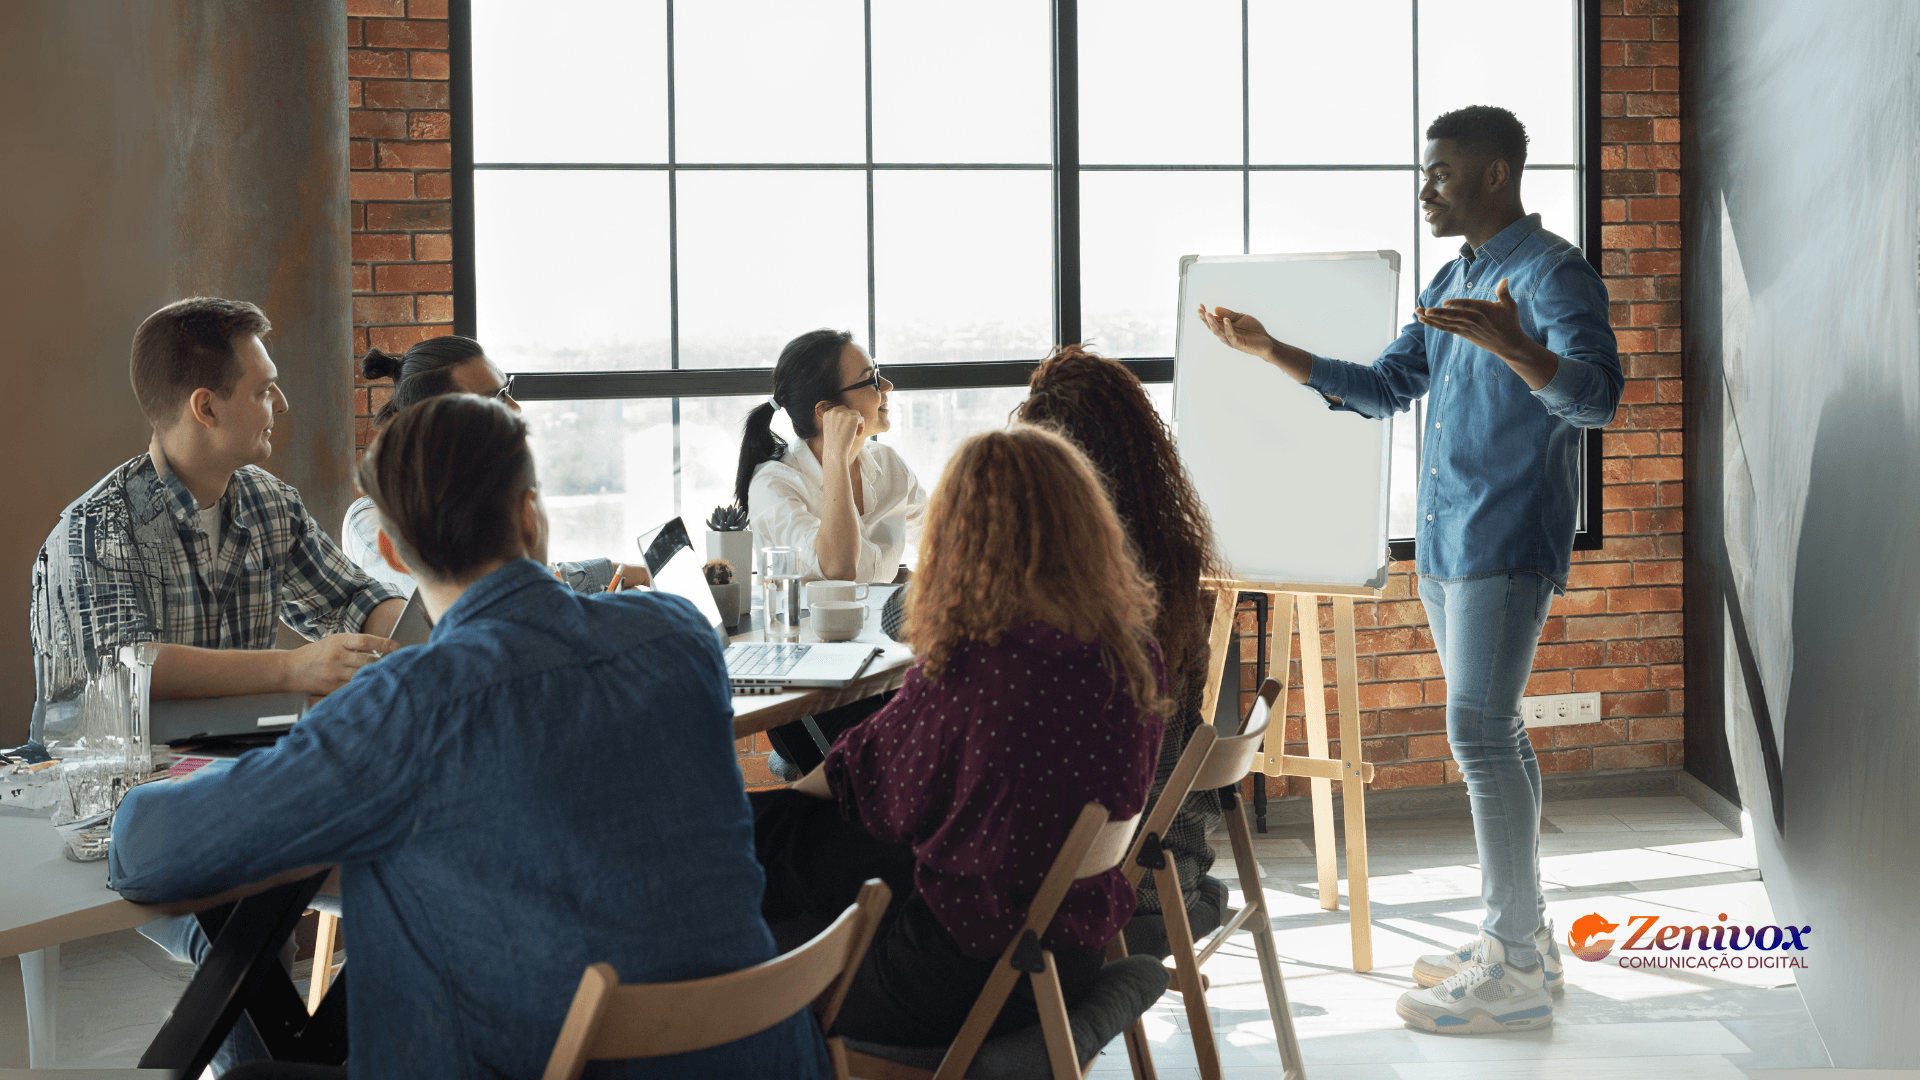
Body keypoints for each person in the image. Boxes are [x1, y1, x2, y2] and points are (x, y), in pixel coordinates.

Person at [109, 394, 832, 1080]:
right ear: (530, 518)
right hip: (761, 1055)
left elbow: (147, 853)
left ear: (391, 551)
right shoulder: (680, 638)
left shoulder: (409, 705)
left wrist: (152, 789)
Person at [1200, 105, 1620, 1034]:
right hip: (1446, 541)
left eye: (1439, 172)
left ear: (1497, 173)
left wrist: (1519, 347)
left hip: (1507, 536)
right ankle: (1527, 940)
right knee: (1498, 732)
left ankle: (1511, 963)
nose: (1424, 188)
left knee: (1475, 730)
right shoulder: (1454, 274)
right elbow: (1390, 386)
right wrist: (1273, 350)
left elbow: (1597, 400)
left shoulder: (1551, 274)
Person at [752, 424, 1167, 1046]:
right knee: (806, 846)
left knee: (751, 901)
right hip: (1070, 956)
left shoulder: (976, 670)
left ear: (960, 540)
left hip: (960, 981)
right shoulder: (1134, 657)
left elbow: (854, 782)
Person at [29, 297, 406, 733]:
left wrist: (412, 630)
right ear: (206, 408)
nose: (281, 405)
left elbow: (355, 601)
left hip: (235, 773)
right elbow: (123, 667)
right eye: (263, 391)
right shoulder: (93, 529)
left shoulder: (272, 503)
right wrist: (289, 668)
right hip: (117, 794)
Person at [1016, 345, 1229, 957]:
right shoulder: (1173, 555)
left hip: (1109, 886)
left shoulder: (1050, 573)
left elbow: (913, 615)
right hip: (1171, 861)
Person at [735, 329, 927, 775]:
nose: (887, 388)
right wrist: (838, 456)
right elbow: (837, 566)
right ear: (827, 411)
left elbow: (942, 528)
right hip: (814, 696)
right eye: (871, 379)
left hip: (881, 668)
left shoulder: (889, 466)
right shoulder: (776, 483)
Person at [345, 335, 646, 595]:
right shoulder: (371, 521)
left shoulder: (474, 492)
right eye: (496, 399)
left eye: (509, 389)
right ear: (437, 421)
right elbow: (488, 596)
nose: (515, 407)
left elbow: (534, 578)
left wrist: (642, 573)